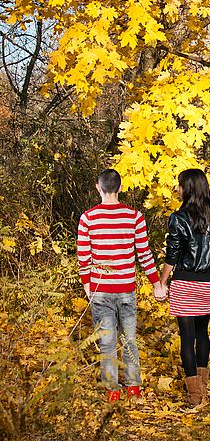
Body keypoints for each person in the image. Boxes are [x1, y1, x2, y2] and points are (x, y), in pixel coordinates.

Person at [77, 168, 167, 402]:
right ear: (120, 187)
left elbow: (83, 256)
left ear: (98, 187)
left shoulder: (88, 218)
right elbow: (144, 254)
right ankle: (133, 386)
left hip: (100, 290)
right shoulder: (134, 217)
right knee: (129, 339)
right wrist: (156, 283)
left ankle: (112, 390)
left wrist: (87, 284)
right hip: (126, 289)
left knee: (107, 343)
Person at [158, 168, 210, 407]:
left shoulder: (178, 218)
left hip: (185, 282)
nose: (177, 189)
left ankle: (194, 394)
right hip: (208, 281)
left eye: (179, 185)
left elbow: (172, 254)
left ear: (188, 188)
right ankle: (203, 385)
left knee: (187, 338)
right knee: (202, 333)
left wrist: (162, 281)